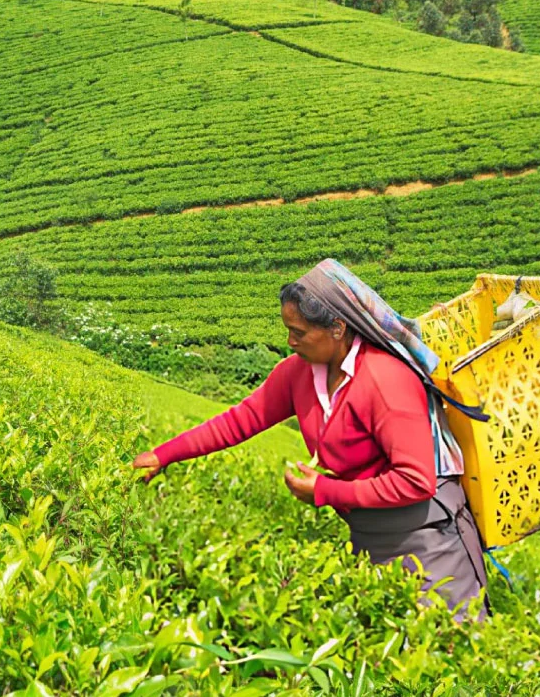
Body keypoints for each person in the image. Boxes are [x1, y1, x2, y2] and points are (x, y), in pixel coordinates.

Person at [133, 258, 489, 621]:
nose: (290, 342)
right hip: (369, 532)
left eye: (299, 332)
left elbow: (415, 482)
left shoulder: (385, 380)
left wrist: (324, 491)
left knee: (447, 643)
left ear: (337, 328)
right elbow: (241, 420)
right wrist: (163, 455)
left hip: (427, 537)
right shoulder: (299, 374)